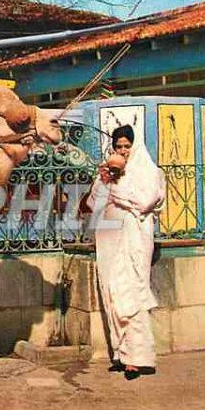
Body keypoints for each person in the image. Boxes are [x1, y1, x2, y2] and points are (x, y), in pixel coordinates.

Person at [82, 124, 166, 380]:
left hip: (133, 239)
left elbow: (143, 202)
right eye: (118, 147)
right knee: (111, 292)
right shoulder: (109, 172)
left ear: (135, 146)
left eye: (126, 146)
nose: (122, 151)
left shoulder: (147, 171)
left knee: (132, 292)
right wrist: (104, 182)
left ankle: (138, 358)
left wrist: (116, 187)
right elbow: (92, 204)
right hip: (109, 238)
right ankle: (120, 353)